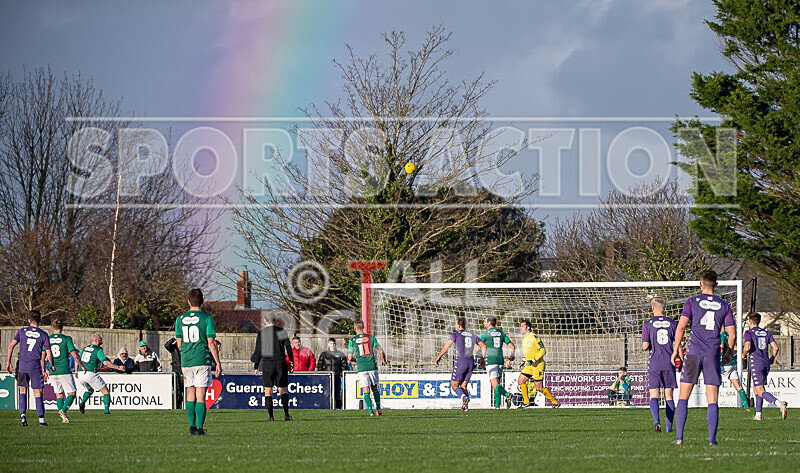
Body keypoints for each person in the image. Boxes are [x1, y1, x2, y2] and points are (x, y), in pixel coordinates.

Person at [670, 270, 735, 446]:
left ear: (700, 284)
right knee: (712, 398)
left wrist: (676, 350)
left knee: (683, 396)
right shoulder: (724, 306)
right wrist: (728, 353)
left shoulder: (691, 302)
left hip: (693, 354)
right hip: (712, 354)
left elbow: (681, 328)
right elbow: (732, 335)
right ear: (716, 285)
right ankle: (712, 440)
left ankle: (679, 437)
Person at [176, 288, 222, 435]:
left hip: (186, 360)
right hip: (201, 359)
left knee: (190, 393)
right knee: (200, 395)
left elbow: (179, 344)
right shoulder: (206, 318)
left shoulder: (180, 319)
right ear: (202, 301)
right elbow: (211, 343)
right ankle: (200, 428)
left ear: (188, 302)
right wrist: (218, 362)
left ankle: (191, 426)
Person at [5, 310, 55, 426]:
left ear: (28, 320)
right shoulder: (43, 334)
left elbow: (10, 346)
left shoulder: (22, 331)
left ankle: (23, 416)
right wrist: (51, 364)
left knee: (22, 390)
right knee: (38, 392)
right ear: (40, 320)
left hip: (22, 366)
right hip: (35, 366)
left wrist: (8, 363)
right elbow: (48, 353)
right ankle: (41, 420)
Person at [435, 317, 486, 411]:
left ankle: (464, 398)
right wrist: (482, 359)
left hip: (461, 361)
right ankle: (465, 408)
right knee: (463, 386)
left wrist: (439, 356)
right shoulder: (472, 335)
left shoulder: (455, 334)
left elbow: (446, 347)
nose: (455, 326)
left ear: (458, 325)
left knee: (454, 385)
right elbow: (483, 345)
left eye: (455, 324)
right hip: (471, 362)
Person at [642, 296, 677, 432]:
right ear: (664, 307)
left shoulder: (647, 324)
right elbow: (678, 343)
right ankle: (669, 427)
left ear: (652, 308)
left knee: (654, 395)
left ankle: (657, 422)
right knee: (669, 396)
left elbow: (645, 346)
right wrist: (679, 358)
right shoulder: (672, 323)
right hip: (669, 362)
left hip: (655, 362)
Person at [743, 312, 787, 420]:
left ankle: (779, 403)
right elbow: (776, 348)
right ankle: (758, 415)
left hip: (756, 362)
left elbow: (747, 346)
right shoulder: (767, 332)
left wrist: (743, 354)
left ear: (750, 322)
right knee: (756, 388)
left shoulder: (749, 332)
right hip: (766, 362)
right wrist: (772, 358)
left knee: (760, 390)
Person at [252, 313, 294, 421]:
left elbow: (258, 351)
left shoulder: (262, 333)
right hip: (280, 363)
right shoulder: (281, 331)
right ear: (275, 320)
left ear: (265, 321)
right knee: (283, 390)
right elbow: (288, 347)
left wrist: (256, 366)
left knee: (268, 390)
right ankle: (286, 414)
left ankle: (271, 416)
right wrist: (292, 362)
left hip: (268, 364)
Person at [46, 319, 85, 423]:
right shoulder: (66, 338)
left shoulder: (47, 339)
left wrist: (44, 369)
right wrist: (81, 365)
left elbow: (43, 355)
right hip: (64, 369)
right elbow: (74, 353)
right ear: (62, 327)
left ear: (52, 327)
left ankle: (64, 418)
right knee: (72, 393)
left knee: (59, 394)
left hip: (52, 370)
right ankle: (63, 410)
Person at [77, 333, 126, 415]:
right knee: (105, 392)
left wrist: (76, 370)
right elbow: (106, 363)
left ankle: (83, 402)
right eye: (100, 339)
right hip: (90, 373)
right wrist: (118, 367)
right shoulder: (98, 350)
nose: (101, 340)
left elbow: (77, 359)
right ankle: (106, 411)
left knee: (90, 390)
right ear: (96, 340)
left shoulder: (85, 348)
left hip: (80, 373)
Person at [348, 319, 387, 417]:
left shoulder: (352, 341)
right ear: (363, 327)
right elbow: (381, 350)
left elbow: (349, 357)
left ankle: (370, 412)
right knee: (375, 389)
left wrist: (355, 360)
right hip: (372, 366)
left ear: (355, 328)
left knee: (366, 391)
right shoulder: (371, 338)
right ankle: (378, 408)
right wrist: (384, 360)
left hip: (362, 368)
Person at [517, 319, 560, 408]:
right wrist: (523, 360)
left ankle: (555, 402)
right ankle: (526, 402)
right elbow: (529, 352)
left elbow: (543, 350)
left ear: (528, 327)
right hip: (530, 365)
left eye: (522, 326)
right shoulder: (524, 339)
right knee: (521, 381)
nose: (520, 328)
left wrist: (533, 360)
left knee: (539, 388)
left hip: (538, 365)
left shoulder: (534, 337)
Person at [479, 316, 515, 409]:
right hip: (500, 360)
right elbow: (512, 346)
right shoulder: (501, 333)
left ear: (489, 323)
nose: (483, 323)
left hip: (490, 360)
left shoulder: (485, 334)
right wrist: (511, 357)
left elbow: (482, 347)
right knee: (497, 383)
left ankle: (507, 395)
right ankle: (497, 406)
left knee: (495, 385)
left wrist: (481, 359)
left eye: (485, 321)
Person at [720, 328, 749, 410]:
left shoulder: (721, 336)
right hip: (732, 363)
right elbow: (735, 347)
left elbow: (721, 348)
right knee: (738, 386)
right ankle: (746, 406)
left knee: (713, 384)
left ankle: (712, 404)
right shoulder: (728, 335)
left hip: (724, 364)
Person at [317, 338, 348, 409]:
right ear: (328, 344)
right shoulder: (324, 354)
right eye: (331, 343)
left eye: (334, 343)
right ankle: (325, 407)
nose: (332, 345)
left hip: (337, 377)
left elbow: (344, 365)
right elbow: (320, 365)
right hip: (327, 378)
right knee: (326, 393)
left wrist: (341, 374)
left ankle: (338, 408)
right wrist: (322, 374)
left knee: (337, 394)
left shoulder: (340, 354)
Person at [164, 337, 183, 408]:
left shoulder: (187, 346)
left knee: (187, 392)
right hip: (176, 372)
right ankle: (177, 407)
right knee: (177, 392)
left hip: (185, 371)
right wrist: (173, 339)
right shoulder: (174, 347)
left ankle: (186, 407)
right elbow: (167, 346)